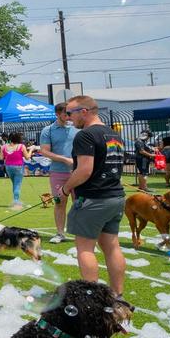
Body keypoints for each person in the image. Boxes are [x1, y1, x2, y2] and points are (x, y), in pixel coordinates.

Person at [58, 96, 126, 296]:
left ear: (84, 111)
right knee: (112, 247)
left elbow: (84, 170)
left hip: (93, 199)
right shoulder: (113, 134)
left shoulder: (85, 135)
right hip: (115, 197)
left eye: (70, 113)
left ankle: (92, 299)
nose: (68, 118)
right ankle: (117, 296)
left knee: (85, 249)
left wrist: (64, 189)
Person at [38, 104, 77, 244]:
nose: (69, 116)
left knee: (79, 203)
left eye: (70, 113)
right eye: (66, 114)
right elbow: (44, 151)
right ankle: (60, 233)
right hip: (57, 172)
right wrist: (65, 159)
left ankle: (81, 233)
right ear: (57, 114)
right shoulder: (48, 130)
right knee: (60, 203)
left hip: (78, 172)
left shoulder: (77, 128)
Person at [1, 133, 28, 208]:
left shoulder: (4, 147)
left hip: (8, 167)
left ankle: (16, 200)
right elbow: (27, 157)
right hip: (18, 167)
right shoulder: (21, 146)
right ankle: (16, 201)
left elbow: (2, 157)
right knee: (17, 184)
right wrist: (31, 150)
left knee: (15, 184)